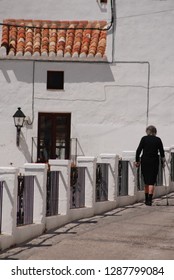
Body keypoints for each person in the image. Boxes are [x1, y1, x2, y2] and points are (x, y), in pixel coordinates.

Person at [134, 125, 165, 206]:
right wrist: (163, 161)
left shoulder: (144, 139)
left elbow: (138, 150)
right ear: (155, 132)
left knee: (146, 181)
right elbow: (162, 152)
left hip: (145, 161)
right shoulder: (158, 140)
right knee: (152, 181)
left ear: (147, 131)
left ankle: (146, 199)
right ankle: (150, 200)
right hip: (154, 161)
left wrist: (137, 160)